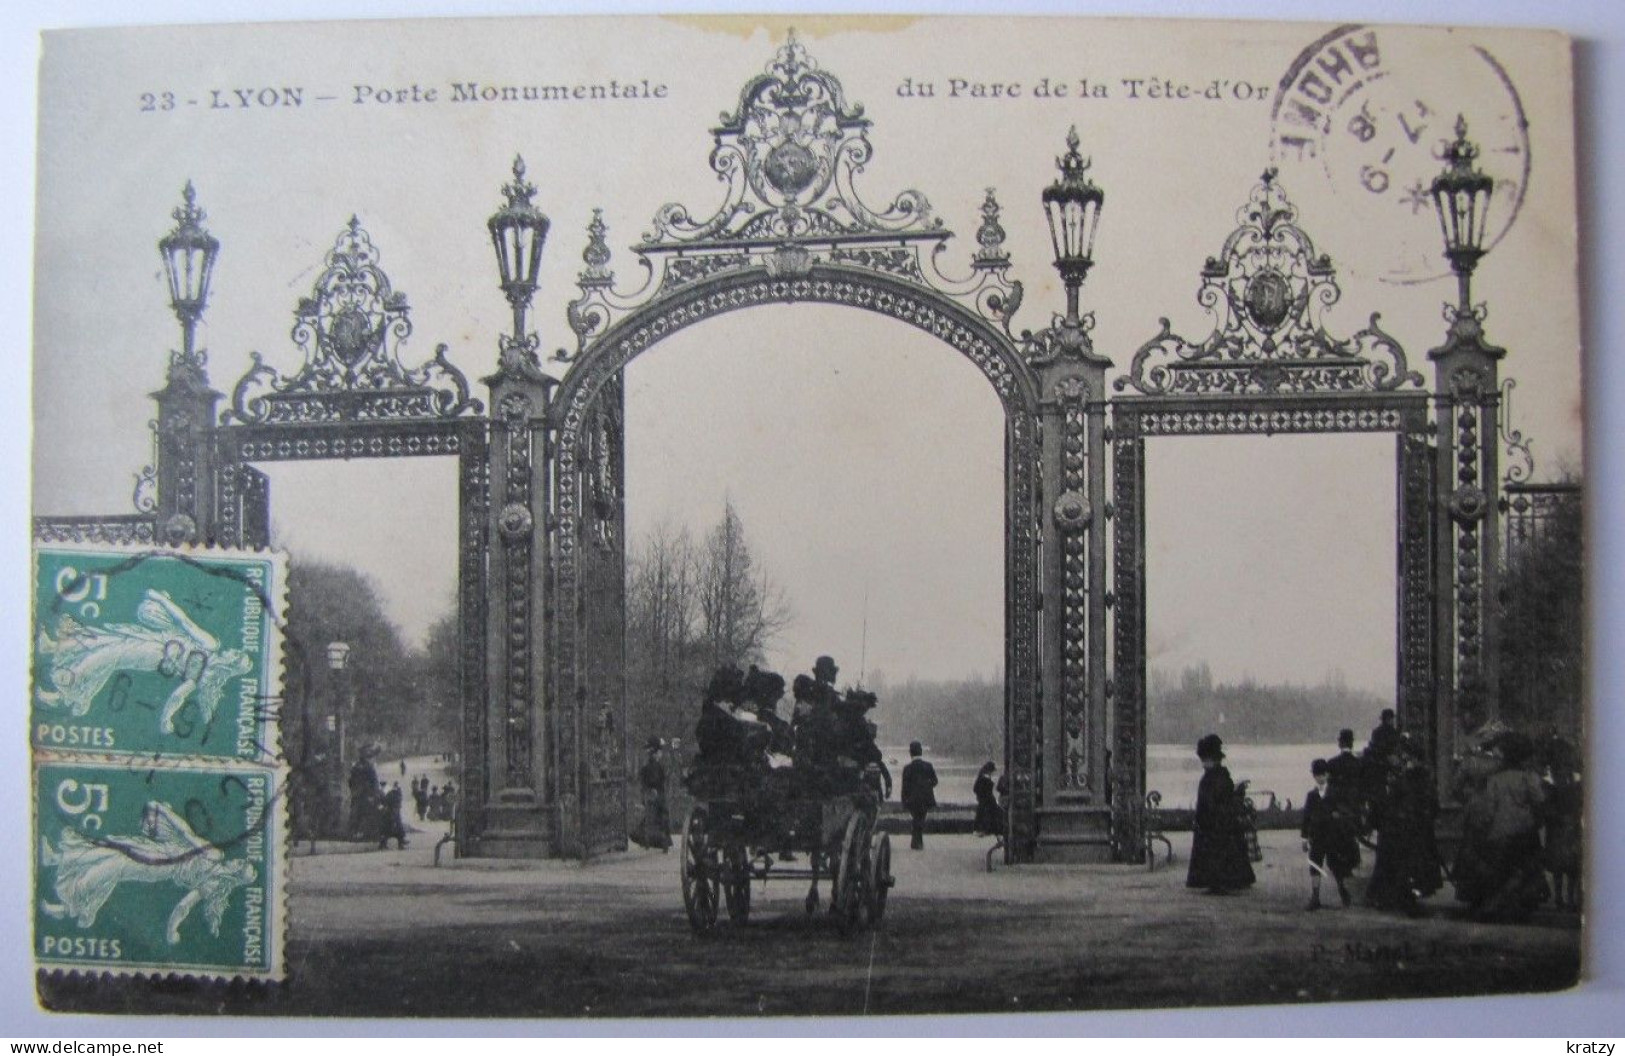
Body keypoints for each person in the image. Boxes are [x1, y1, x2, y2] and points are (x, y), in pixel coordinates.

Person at [1457, 731, 1547, 921]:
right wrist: (1536, 821)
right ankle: (1522, 908)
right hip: (1525, 831)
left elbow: (1489, 809)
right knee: (1525, 871)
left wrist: (1484, 827)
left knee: (1502, 873)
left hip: (1500, 833)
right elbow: (1539, 801)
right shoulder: (1528, 777)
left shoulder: (1495, 780)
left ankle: (1501, 909)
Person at [1365, 735, 1442, 915]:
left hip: (1402, 828)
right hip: (1420, 827)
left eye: (1405, 756)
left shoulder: (1404, 780)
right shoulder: (1426, 778)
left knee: (1397, 863)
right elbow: (1433, 805)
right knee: (1417, 865)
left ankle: (1396, 897)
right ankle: (1408, 895)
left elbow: (1391, 804)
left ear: (1410, 758)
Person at [1186, 734, 1255, 894]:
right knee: (1229, 850)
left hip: (1212, 822)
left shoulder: (1210, 779)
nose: (1203, 764)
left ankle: (1217, 883)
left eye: (1205, 760)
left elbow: (1209, 803)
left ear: (1210, 759)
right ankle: (1233, 880)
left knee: (1214, 852)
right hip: (1224, 821)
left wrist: (1201, 818)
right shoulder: (1223, 776)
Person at [1301, 759, 1356, 910]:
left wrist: (1338, 815)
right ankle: (1315, 897)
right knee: (1315, 864)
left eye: (1322, 775)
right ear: (1313, 776)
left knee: (1336, 864)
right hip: (1317, 836)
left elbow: (1346, 810)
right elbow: (1306, 817)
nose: (1320, 778)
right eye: (1317, 775)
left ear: (1327, 775)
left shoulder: (1336, 793)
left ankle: (1342, 889)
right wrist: (1304, 838)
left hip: (1333, 835)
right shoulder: (1311, 795)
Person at [631, 737, 673, 851]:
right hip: (656, 795)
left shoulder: (650, 766)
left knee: (652, 818)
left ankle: (651, 840)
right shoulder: (655, 766)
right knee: (660, 816)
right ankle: (661, 841)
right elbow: (656, 781)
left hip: (652, 795)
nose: (661, 754)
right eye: (659, 752)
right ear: (655, 753)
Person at [900, 741, 938, 850]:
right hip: (926, 798)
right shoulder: (928, 766)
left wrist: (904, 801)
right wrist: (926, 785)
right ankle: (917, 841)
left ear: (910, 753)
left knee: (916, 818)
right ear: (921, 752)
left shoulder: (907, 768)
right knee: (920, 818)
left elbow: (904, 787)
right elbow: (935, 781)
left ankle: (916, 841)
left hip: (912, 799)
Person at [347, 746, 382, 842]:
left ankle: (356, 834)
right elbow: (374, 781)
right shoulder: (368, 767)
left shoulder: (356, 766)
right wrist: (375, 793)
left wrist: (353, 790)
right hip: (366, 795)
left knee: (357, 815)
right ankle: (368, 834)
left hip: (358, 794)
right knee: (368, 814)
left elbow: (350, 781)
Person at [973, 761, 1005, 836]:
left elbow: (976, 789)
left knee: (982, 814)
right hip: (986, 799)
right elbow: (983, 790)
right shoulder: (984, 778)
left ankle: (983, 829)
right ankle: (991, 829)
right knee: (991, 813)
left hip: (985, 799)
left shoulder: (982, 776)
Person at [380, 781, 408, 850]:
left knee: (389, 830)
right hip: (393, 814)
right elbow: (397, 805)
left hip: (390, 814)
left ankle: (384, 845)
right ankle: (400, 844)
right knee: (395, 830)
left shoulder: (389, 793)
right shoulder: (396, 795)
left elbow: (384, 802)